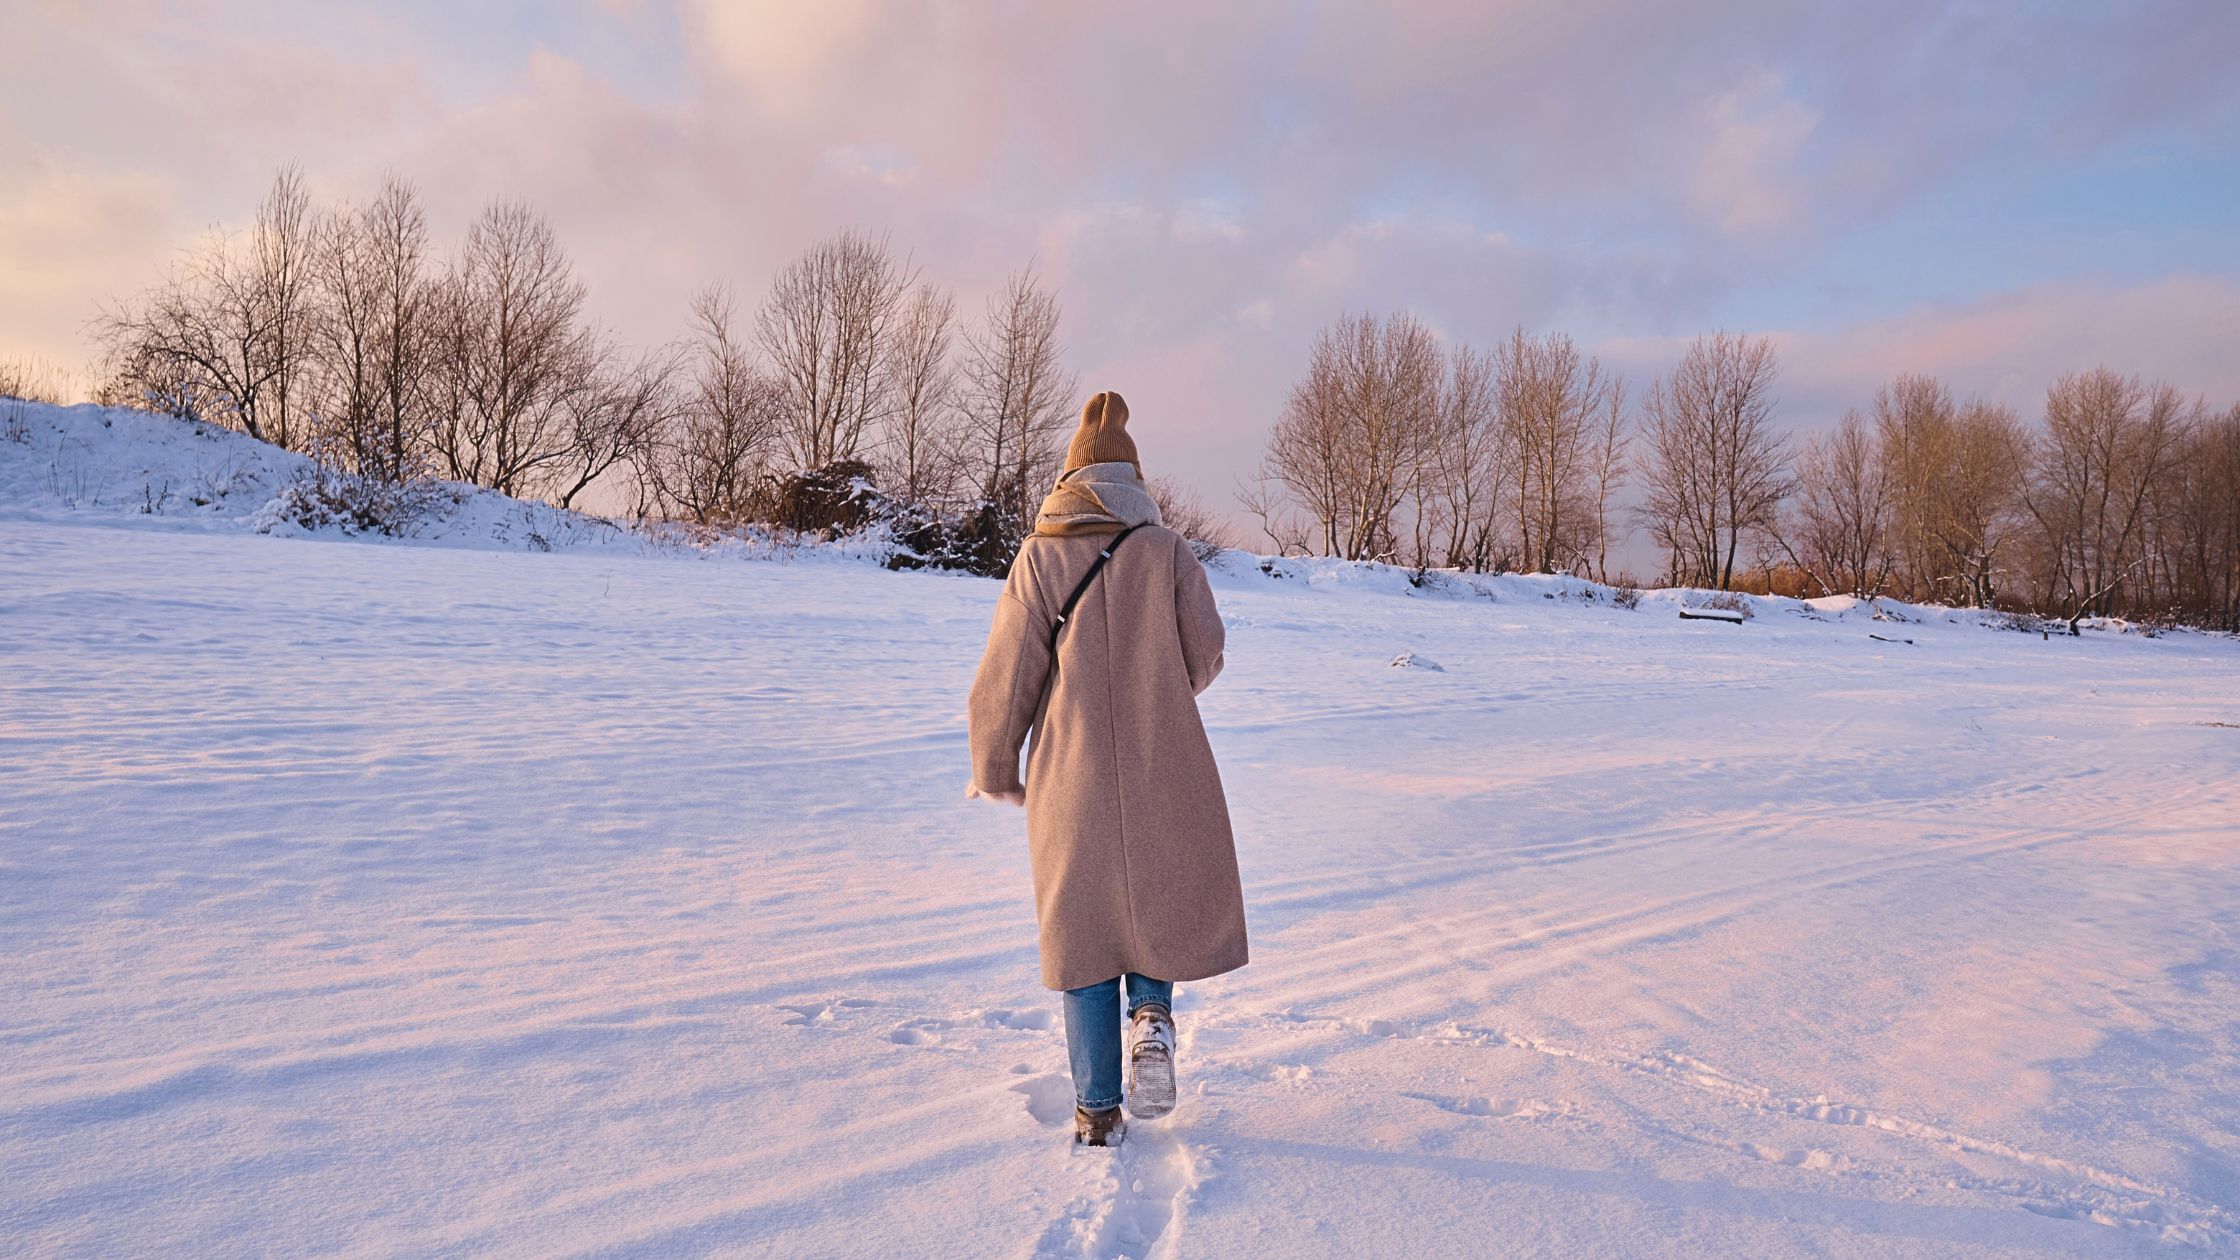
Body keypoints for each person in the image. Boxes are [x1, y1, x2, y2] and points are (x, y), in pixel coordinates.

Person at [967, 391, 1248, 1148]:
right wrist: (1162, 690)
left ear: (1070, 476)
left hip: (1070, 769)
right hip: (1165, 756)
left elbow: (1009, 672)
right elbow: (1209, 648)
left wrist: (995, 759)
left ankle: (1097, 1110)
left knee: (1084, 929)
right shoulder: (1166, 550)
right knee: (1154, 898)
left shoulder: (1040, 554)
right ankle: (1151, 1015)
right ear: (1133, 476)